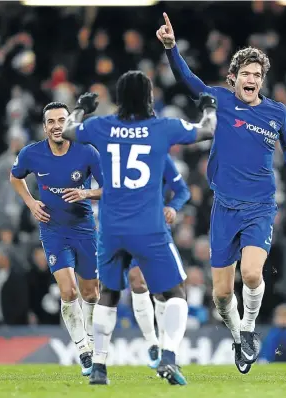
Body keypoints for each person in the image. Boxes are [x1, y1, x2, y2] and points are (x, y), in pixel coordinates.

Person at [156, 12, 286, 375]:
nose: (252, 79)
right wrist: (171, 49)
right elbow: (188, 81)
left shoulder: (276, 112)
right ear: (234, 78)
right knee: (222, 296)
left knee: (252, 274)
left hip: (259, 206)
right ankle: (239, 338)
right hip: (223, 207)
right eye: (246, 74)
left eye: (257, 75)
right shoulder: (220, 101)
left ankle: (250, 329)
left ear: (261, 80)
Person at [61, 70, 217, 386]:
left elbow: (66, 129)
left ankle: (100, 369)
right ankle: (169, 357)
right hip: (149, 228)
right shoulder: (162, 128)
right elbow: (207, 130)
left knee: (109, 294)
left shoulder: (102, 126)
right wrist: (209, 105)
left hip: (111, 227)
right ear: (148, 97)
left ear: (119, 98)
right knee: (175, 292)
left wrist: (82, 107)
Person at [10, 101, 103, 376]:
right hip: (53, 229)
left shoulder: (87, 152)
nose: (56, 126)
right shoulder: (31, 154)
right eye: (51, 121)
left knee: (90, 292)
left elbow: (110, 187)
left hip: (84, 227)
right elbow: (15, 177)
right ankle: (83, 348)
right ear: (44, 126)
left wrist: (85, 194)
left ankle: (90, 339)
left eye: (61, 120)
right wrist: (30, 202)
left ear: (69, 123)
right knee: (68, 291)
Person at [128, 154, 191, 369]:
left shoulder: (161, 157)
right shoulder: (115, 153)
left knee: (166, 291)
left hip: (156, 230)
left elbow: (183, 190)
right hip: (124, 228)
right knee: (136, 280)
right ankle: (152, 342)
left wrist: (173, 206)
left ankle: (166, 350)